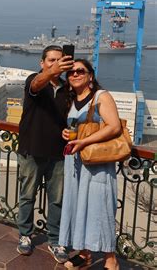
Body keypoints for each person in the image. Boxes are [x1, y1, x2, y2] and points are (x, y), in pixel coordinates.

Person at [59, 59, 121, 270]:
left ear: (90, 76)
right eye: (71, 72)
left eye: (80, 71)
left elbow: (114, 127)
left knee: (100, 208)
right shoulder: (73, 100)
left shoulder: (101, 97)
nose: (75, 74)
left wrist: (84, 141)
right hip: (75, 164)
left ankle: (111, 260)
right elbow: (76, 128)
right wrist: (66, 133)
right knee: (79, 207)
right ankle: (84, 254)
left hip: (97, 164)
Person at [16, 45, 73, 263]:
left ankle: (56, 239)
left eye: (59, 60)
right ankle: (25, 235)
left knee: (57, 199)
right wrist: (52, 71)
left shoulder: (67, 88)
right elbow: (36, 84)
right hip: (32, 149)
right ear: (42, 63)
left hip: (58, 152)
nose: (55, 63)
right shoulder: (35, 80)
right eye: (51, 60)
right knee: (27, 195)